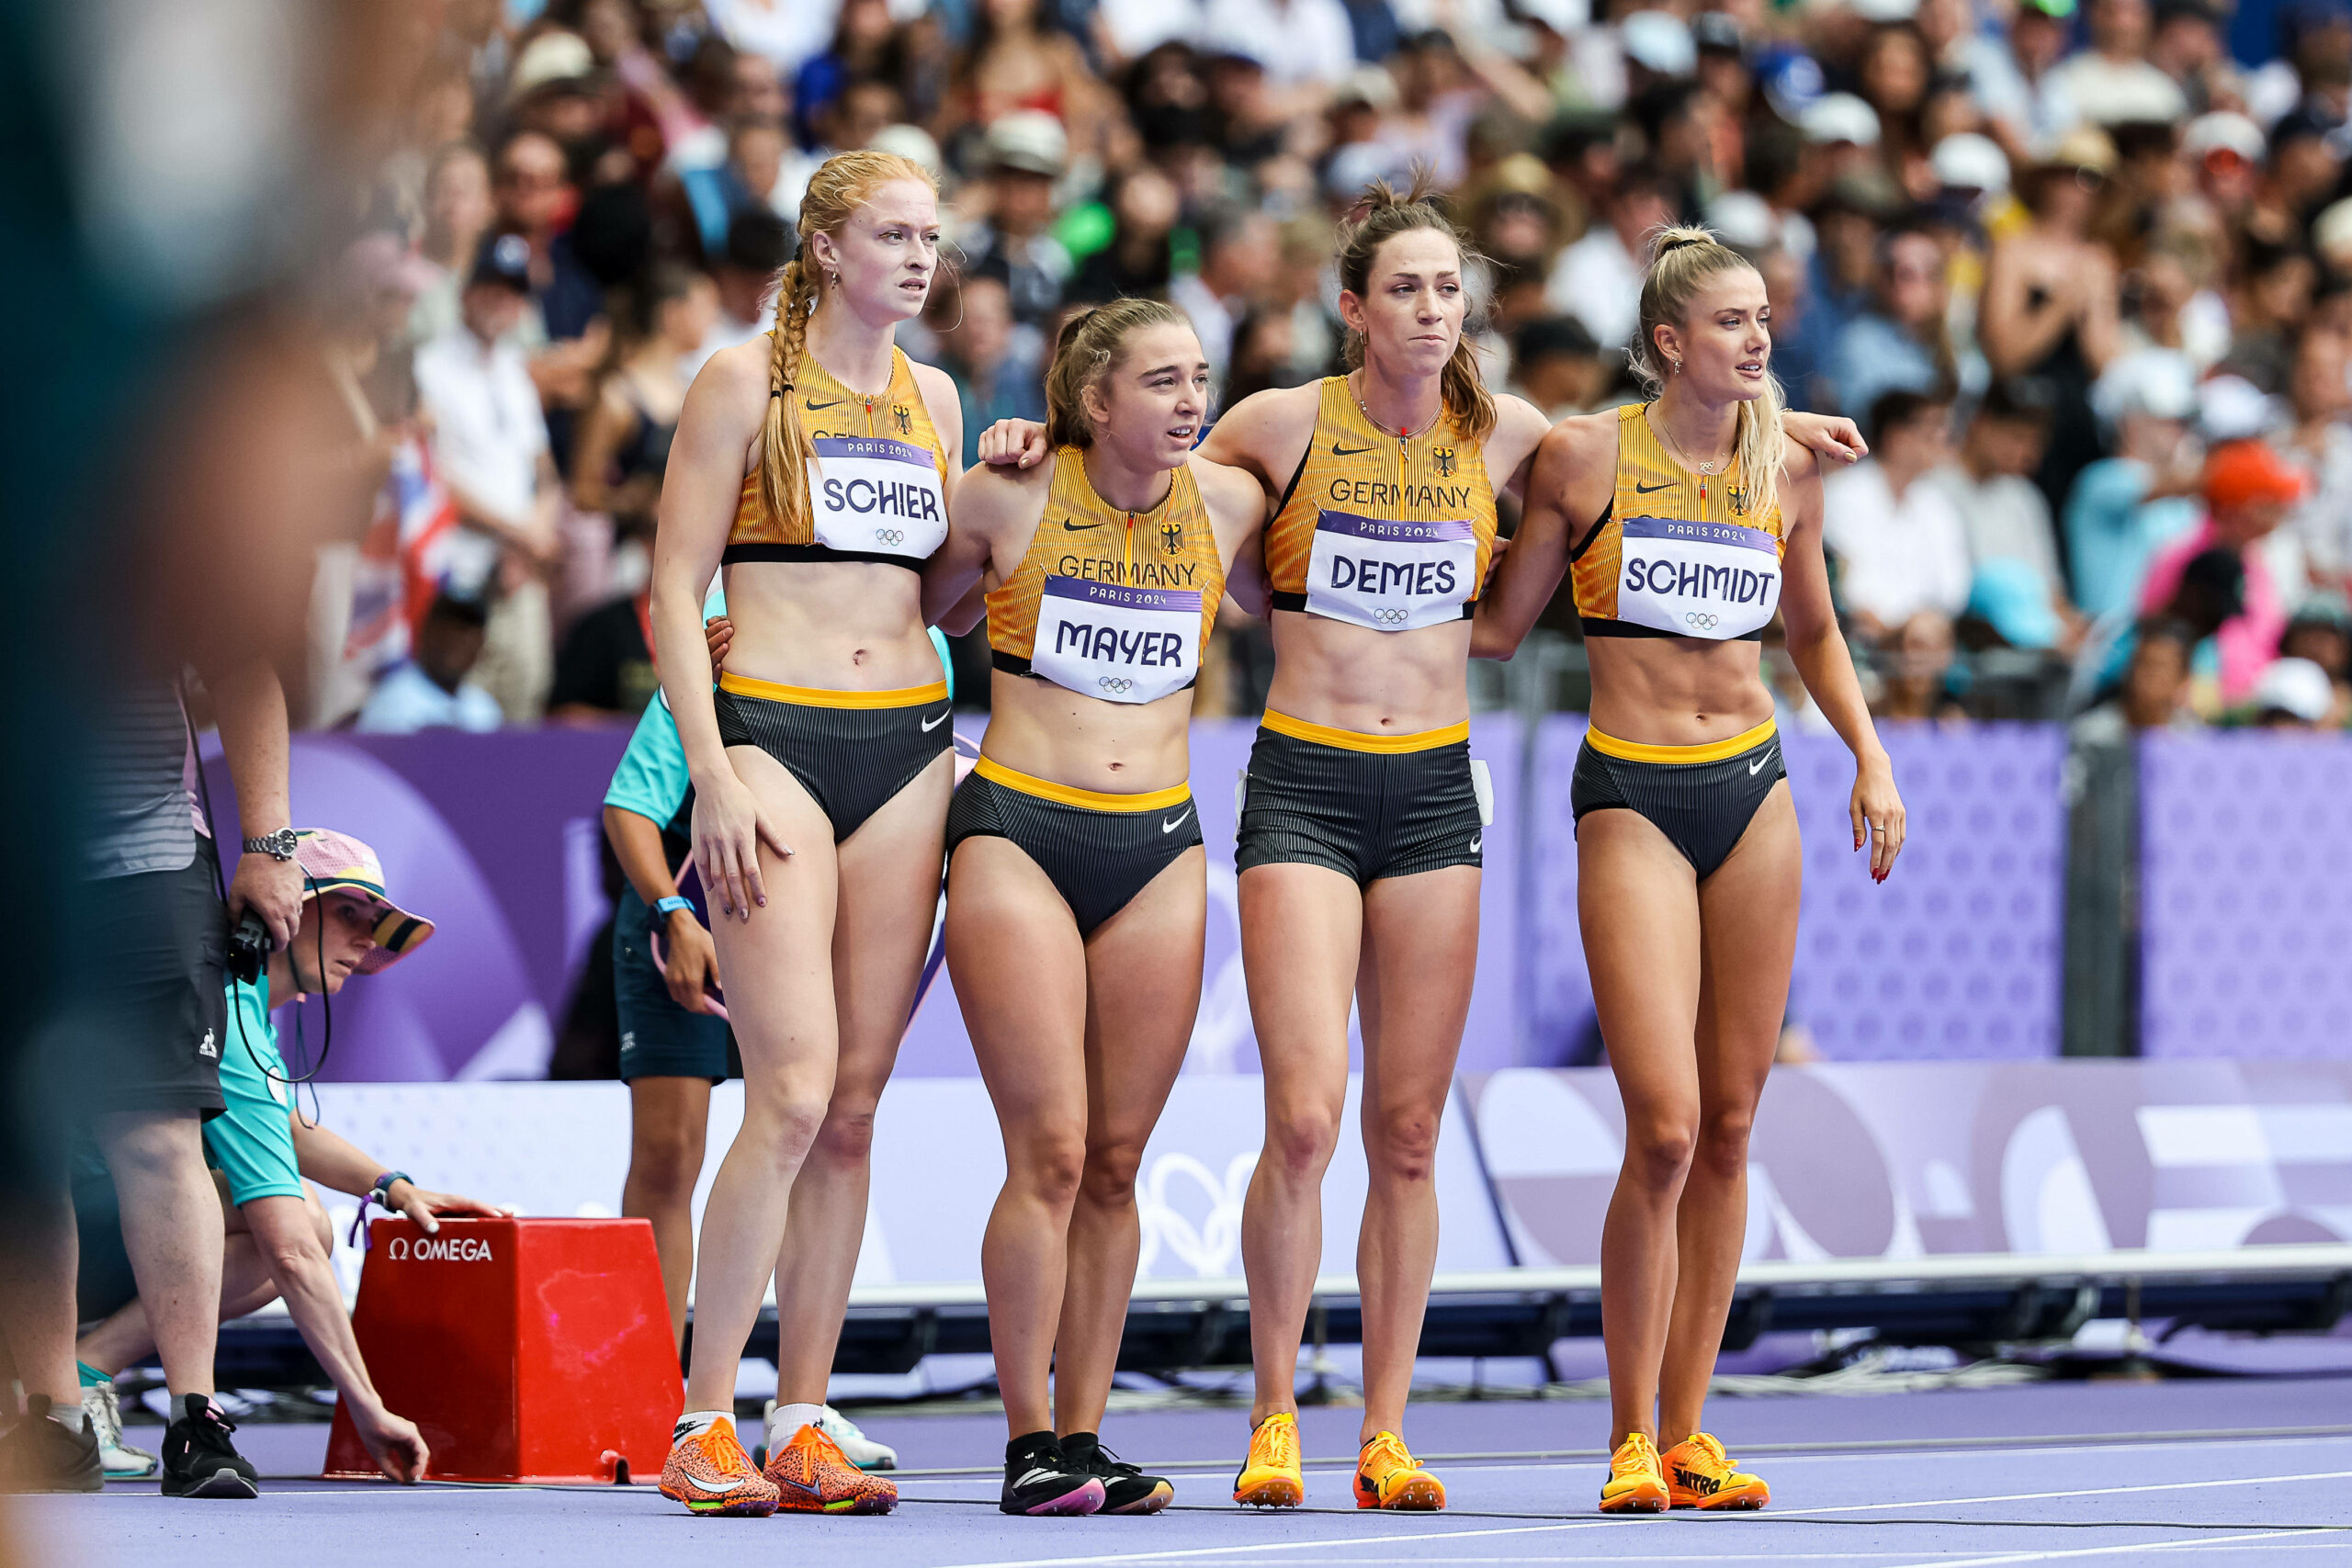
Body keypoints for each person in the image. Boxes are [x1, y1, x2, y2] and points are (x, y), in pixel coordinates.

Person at [1196, 180, 1867, 1511]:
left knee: (1405, 1126)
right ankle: (1276, 1413)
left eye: (1450, 289)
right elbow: (1159, 481)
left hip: (1441, 789)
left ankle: (1386, 1431)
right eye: (1406, 288)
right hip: (1309, 779)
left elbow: (1652, 448)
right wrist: (1234, 585)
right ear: (1353, 306)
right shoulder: (1274, 424)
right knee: (1306, 1113)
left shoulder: (1511, 434)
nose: (1434, 309)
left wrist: (1768, 414)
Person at [1481, 225, 1902, 1514]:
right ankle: (1620, 1434)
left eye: (1764, 316)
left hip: (1755, 789)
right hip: (1631, 792)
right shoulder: (1586, 453)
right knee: (1661, 1125)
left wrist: (1870, 760)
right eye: (1729, 320)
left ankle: (1685, 1430)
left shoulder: (1786, 467)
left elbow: (1816, 632)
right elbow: (1500, 625)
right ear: (1669, 342)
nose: (1759, 335)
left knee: (1730, 1122)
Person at [645, 147, 1036, 1517]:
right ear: (824, 244)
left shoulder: (935, 395)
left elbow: (932, 601)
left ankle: (801, 1412)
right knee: (793, 1089)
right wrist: (714, 769)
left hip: (910, 748)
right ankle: (702, 1415)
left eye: (933, 235)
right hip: (773, 744)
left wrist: (997, 510)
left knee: (856, 1108)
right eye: (893, 232)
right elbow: (669, 589)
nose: (922, 257)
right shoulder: (742, 380)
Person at [923, 300, 1268, 1517]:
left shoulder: (1229, 502)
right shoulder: (1006, 493)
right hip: (1019, 824)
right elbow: (915, 610)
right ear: (1095, 398)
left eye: (1200, 378)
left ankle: (1086, 1431)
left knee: (1118, 1160)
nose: (1190, 400)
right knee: (1054, 1149)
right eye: (1163, 380)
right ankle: (1027, 1439)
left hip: (1159, 847)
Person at [70, 829, 503, 1484]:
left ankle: (76, 1369)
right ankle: (82, 1372)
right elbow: (292, 1245)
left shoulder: (223, 989)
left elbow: (284, 1130)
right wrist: (370, 1408)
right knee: (299, 1219)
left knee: (298, 1219)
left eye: (375, 922)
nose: (366, 939)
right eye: (348, 912)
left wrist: (391, 1185)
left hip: (59, 1237)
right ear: (282, 908)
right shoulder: (228, 1003)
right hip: (58, 1243)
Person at [604, 604, 916, 1472]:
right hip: (685, 924)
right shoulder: (730, 634)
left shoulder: (918, 640)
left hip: (793, 917)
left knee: (823, 1121)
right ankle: (669, 1398)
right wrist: (674, 911)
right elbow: (631, 805)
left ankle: (797, 1408)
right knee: (675, 1156)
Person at [411, 232, 565, 723]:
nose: (504, 302)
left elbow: (542, 466)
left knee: (525, 694)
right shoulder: (429, 366)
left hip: (518, 569)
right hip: (459, 569)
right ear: (467, 291)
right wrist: (522, 534)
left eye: (515, 293)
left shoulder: (513, 370)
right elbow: (434, 478)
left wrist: (534, 535)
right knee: (458, 707)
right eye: (493, 287)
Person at [355, 592, 506, 733]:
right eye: (449, 631)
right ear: (427, 633)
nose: (458, 643)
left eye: (468, 633)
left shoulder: (485, 708)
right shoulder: (394, 703)